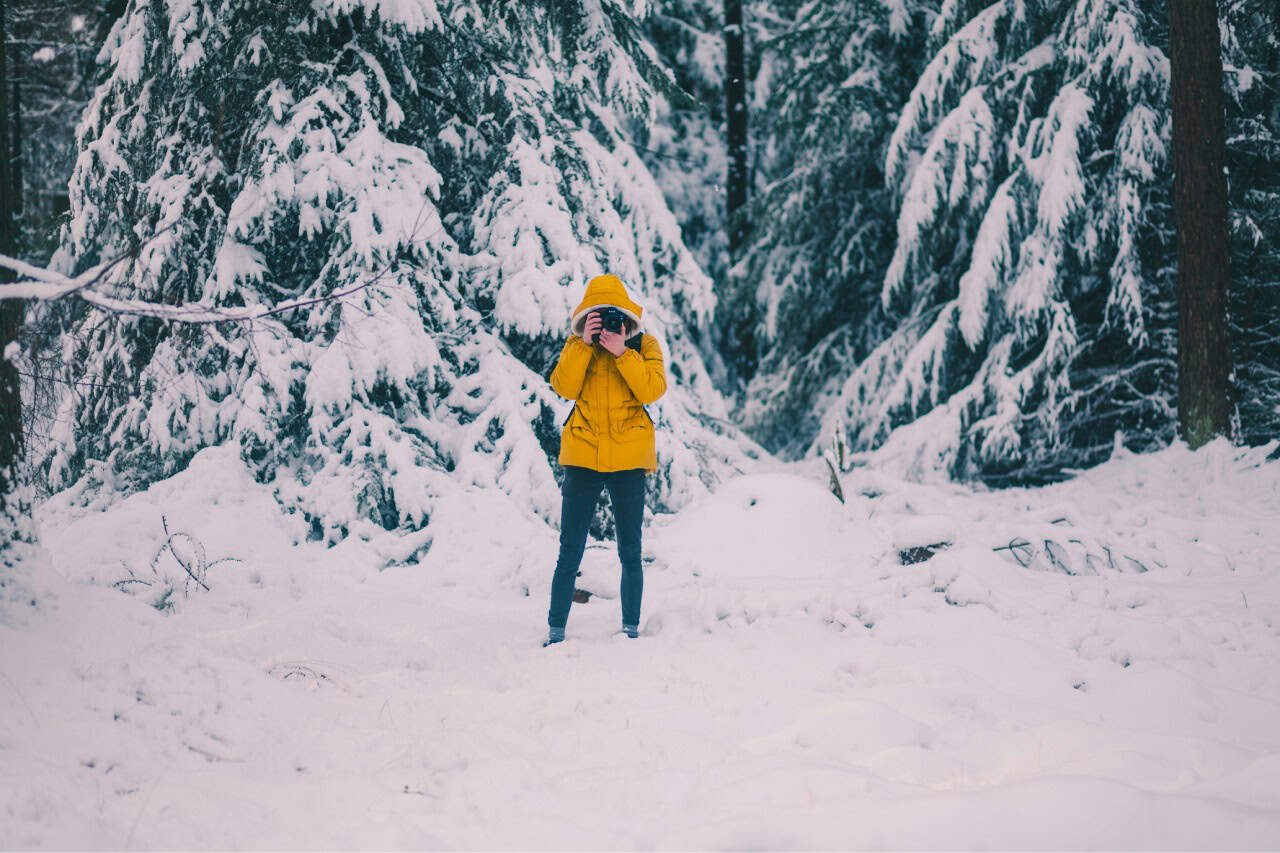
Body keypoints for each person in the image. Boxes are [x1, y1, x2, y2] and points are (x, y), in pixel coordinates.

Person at [544, 273, 667, 646]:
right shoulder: (577, 345)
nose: (607, 323)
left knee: (630, 548)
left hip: (629, 458)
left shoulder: (644, 345)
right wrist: (583, 344)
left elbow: (653, 388)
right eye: (597, 316)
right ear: (586, 317)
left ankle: (631, 628)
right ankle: (556, 631)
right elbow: (562, 386)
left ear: (627, 316)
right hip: (584, 455)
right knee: (570, 549)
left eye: (613, 315)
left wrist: (622, 352)